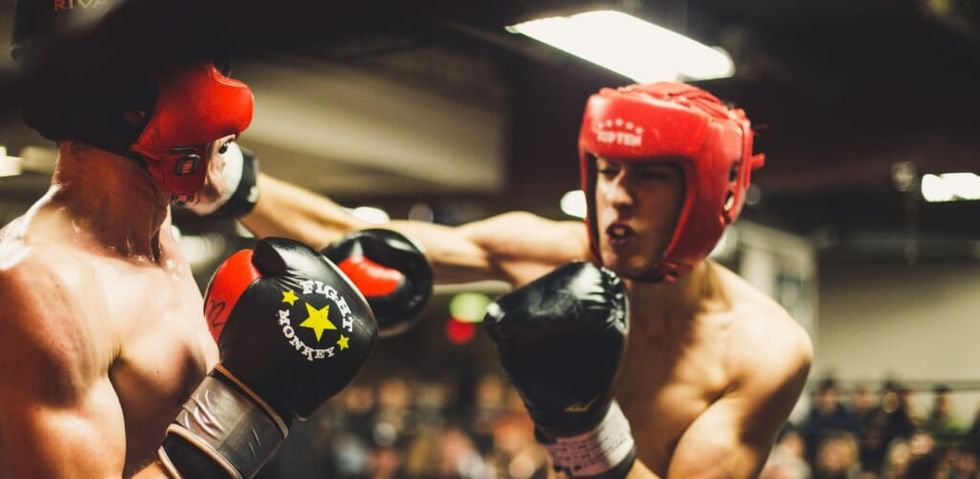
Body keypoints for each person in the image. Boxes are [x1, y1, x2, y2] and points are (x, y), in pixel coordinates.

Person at [204, 81, 814, 477]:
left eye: (650, 176)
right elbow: (362, 241)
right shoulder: (556, 253)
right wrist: (222, 177)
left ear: (708, 196)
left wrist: (584, 426)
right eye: (607, 171)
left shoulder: (762, 350)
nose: (618, 197)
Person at [0, 1, 388, 477]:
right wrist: (245, 408)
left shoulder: (158, 232)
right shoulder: (39, 285)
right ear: (124, 97)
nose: (226, 88)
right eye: (195, 62)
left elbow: (344, 233)